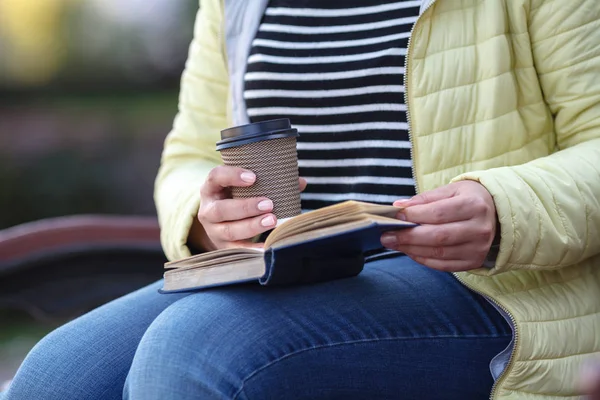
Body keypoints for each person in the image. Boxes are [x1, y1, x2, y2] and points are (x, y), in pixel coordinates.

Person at [2, 0, 599, 399]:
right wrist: (208, 214)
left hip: (491, 287)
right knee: (56, 377)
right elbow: (188, 153)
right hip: (279, 273)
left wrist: (505, 205)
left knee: (196, 349)